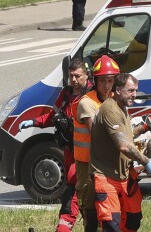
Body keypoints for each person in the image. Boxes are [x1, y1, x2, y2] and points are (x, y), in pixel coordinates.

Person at [90, 72, 151, 232]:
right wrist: (147, 162)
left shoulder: (122, 108)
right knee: (112, 225)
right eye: (130, 90)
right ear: (118, 90)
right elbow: (124, 145)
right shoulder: (110, 109)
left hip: (124, 176)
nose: (134, 95)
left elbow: (126, 135)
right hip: (106, 178)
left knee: (133, 220)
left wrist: (146, 127)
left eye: (135, 90)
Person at [73, 56, 119, 232]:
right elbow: (98, 135)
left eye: (110, 80)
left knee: (106, 207)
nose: (106, 85)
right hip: (87, 164)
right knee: (90, 210)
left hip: (106, 163)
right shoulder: (86, 102)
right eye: (102, 81)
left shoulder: (115, 99)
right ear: (95, 80)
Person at [54, 58, 92, 232]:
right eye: (71, 76)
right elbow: (51, 115)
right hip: (71, 151)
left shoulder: (91, 96)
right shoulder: (67, 94)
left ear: (86, 76)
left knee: (73, 195)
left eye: (78, 76)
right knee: (82, 200)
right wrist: (33, 122)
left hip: (86, 157)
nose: (74, 80)